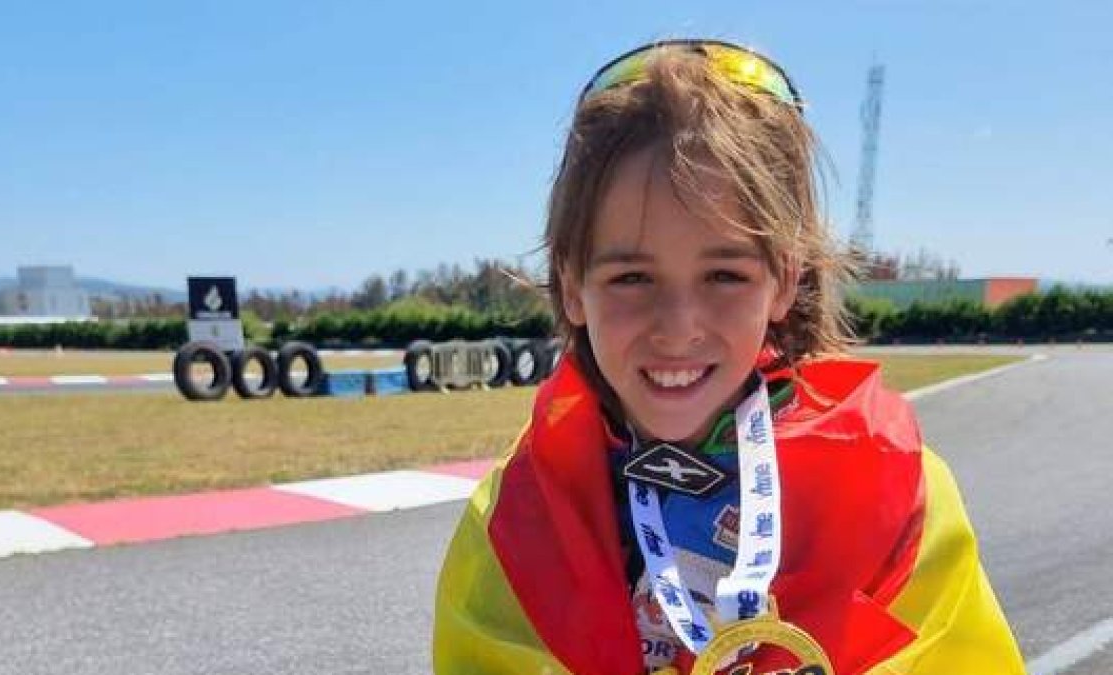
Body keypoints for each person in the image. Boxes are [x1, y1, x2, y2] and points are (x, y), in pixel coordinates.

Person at [433, 39, 1025, 675]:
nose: (678, 328)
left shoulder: (892, 485)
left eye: (724, 276)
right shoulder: (523, 509)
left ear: (785, 279)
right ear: (573, 285)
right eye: (632, 278)